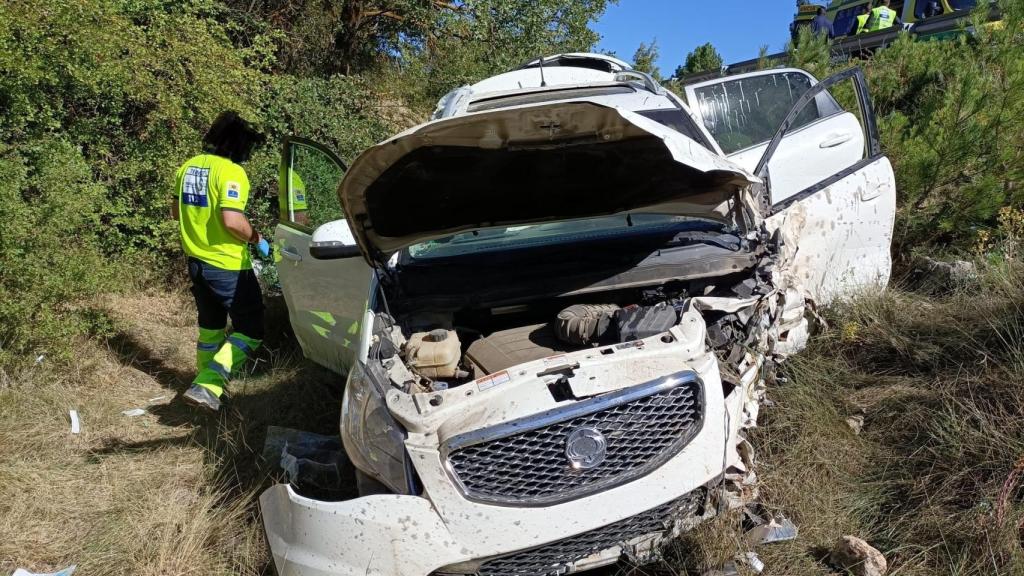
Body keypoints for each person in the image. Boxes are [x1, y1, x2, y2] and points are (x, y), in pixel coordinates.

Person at [171, 111, 268, 411]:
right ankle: (209, 384)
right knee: (251, 330)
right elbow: (232, 221)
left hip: (196, 263)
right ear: (238, 145)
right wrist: (257, 238)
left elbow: (176, 213)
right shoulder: (231, 172)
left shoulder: (187, 167)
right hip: (227, 265)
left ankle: (202, 387)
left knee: (211, 329)